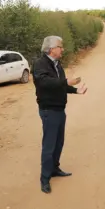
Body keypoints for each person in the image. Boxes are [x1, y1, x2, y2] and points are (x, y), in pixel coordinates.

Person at [32, 35, 87, 194]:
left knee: (58, 143)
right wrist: (66, 82)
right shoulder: (40, 64)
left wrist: (76, 90)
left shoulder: (57, 65)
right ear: (51, 49)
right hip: (49, 110)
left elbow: (60, 86)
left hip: (59, 109)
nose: (63, 49)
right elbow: (44, 83)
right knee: (49, 145)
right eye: (60, 47)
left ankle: (54, 169)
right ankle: (45, 178)